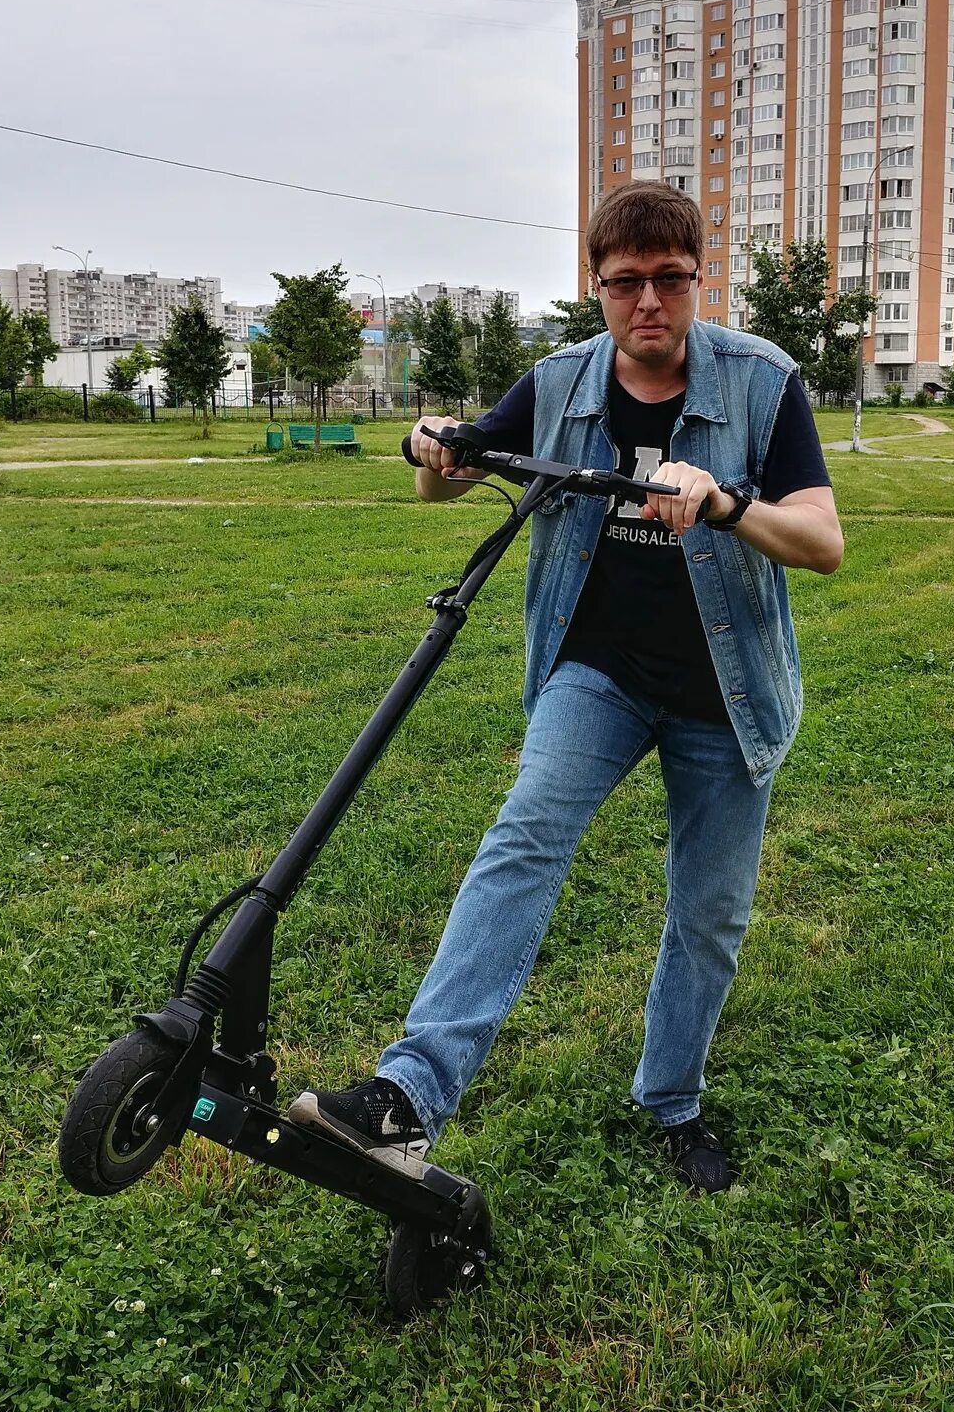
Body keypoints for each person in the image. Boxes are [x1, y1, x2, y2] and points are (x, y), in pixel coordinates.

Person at [289, 183, 843, 1192]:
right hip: (598, 673)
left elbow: (824, 541)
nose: (648, 303)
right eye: (625, 282)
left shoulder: (765, 383)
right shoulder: (559, 381)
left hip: (728, 689)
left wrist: (721, 499)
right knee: (523, 835)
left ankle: (672, 1101)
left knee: (709, 912)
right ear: (595, 287)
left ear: (696, 278)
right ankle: (408, 1094)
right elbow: (447, 478)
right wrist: (436, 443)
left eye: (668, 280)